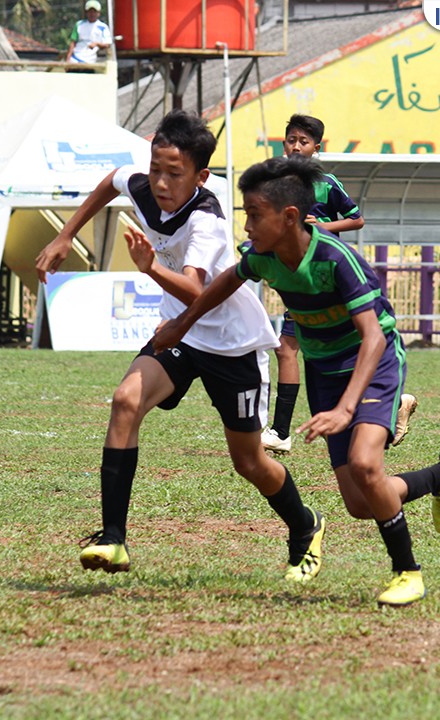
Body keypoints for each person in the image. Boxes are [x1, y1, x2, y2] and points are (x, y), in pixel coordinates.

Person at [153, 155, 440, 608]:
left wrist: (345, 409)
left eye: (254, 216)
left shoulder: (335, 259)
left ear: (290, 217)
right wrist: (181, 325)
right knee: (362, 502)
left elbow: (374, 338)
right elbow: (225, 282)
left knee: (365, 464)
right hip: (324, 371)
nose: (246, 227)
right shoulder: (263, 257)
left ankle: (408, 572)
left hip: (373, 364)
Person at [34, 110, 326, 585]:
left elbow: (197, 291)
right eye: (156, 169)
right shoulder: (146, 184)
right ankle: (113, 538)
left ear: (201, 175)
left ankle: (304, 523)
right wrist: (66, 234)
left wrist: (149, 268)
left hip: (232, 343)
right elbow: (113, 180)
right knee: (126, 399)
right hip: (181, 334)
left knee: (249, 462)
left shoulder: (208, 219)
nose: (161, 182)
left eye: (174, 173)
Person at [261, 114, 417, 453]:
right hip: (297, 279)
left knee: (343, 347)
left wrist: (323, 228)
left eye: (304, 141)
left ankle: (393, 401)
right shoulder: (276, 184)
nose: (296, 146)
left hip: (326, 280)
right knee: (286, 349)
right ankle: (281, 431)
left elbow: (357, 219)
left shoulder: (326, 184)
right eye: (291, 139)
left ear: (317, 147)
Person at [65, 0, 112, 70]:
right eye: (90, 11)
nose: (92, 14)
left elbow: (107, 44)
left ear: (98, 13)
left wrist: (96, 44)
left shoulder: (103, 27)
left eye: (94, 12)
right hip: (75, 59)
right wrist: (68, 59)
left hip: (90, 61)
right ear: (86, 13)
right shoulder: (79, 24)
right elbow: (73, 42)